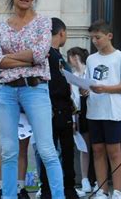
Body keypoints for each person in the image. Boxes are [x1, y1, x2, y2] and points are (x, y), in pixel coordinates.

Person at [0, 0, 65, 199]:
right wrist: (27, 56)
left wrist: (9, 58)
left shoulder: (44, 23)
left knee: (47, 150)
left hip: (35, 89)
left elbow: (41, 54)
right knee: (10, 151)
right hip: (5, 92)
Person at [84, 20, 121, 199]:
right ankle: (102, 190)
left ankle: (117, 190)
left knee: (114, 151)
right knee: (97, 150)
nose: (95, 41)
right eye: (92, 38)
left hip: (113, 110)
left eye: (98, 37)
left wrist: (106, 89)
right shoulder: (91, 59)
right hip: (94, 109)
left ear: (109, 36)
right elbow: (89, 82)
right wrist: (84, 88)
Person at [37, 17, 80, 199]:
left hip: (63, 108)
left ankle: (68, 187)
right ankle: (48, 189)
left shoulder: (58, 54)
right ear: (62, 33)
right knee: (51, 151)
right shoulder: (47, 54)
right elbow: (51, 83)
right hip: (53, 108)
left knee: (67, 150)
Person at [67, 46, 94, 193]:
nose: (72, 60)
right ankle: (84, 179)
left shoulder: (88, 70)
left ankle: (94, 179)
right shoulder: (72, 75)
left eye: (74, 56)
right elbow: (73, 99)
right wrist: (73, 118)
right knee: (83, 146)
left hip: (92, 108)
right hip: (78, 112)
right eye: (71, 57)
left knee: (96, 146)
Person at [0, 110, 32, 199]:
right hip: (8, 109)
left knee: (23, 151)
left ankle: (20, 189)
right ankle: (2, 189)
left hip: (25, 111)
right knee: (5, 151)